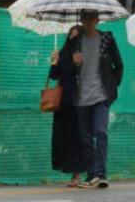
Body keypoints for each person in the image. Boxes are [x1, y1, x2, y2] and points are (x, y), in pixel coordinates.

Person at [65, 10, 123, 188]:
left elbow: (119, 64)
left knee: (100, 132)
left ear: (98, 20)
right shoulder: (75, 42)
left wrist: (111, 87)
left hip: (101, 95)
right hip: (81, 96)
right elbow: (64, 69)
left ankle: (101, 174)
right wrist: (73, 62)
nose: (89, 22)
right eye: (85, 18)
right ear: (81, 21)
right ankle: (91, 175)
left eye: (92, 18)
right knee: (86, 137)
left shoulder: (107, 39)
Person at [48, 24, 88, 187]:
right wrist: (54, 61)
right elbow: (53, 76)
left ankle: (77, 174)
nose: (73, 37)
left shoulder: (85, 53)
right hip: (62, 102)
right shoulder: (63, 53)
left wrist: (79, 64)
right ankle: (67, 167)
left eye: (76, 35)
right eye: (71, 34)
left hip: (79, 102)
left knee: (76, 137)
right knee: (63, 137)